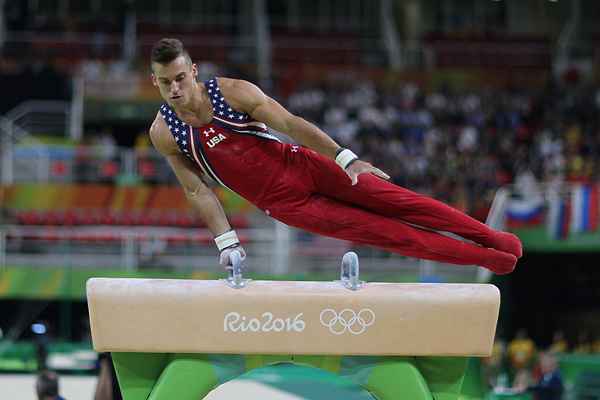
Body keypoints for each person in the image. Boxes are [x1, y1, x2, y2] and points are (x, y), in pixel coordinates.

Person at [148, 38, 522, 273]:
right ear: (155, 82)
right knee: (391, 234)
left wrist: (346, 158)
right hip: (287, 205)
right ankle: (487, 259)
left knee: (406, 203)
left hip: (306, 166)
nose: (175, 88)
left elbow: (292, 124)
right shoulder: (165, 133)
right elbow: (197, 190)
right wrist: (226, 243)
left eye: (181, 77)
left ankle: (492, 237)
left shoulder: (233, 93)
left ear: (193, 71)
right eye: (166, 82)